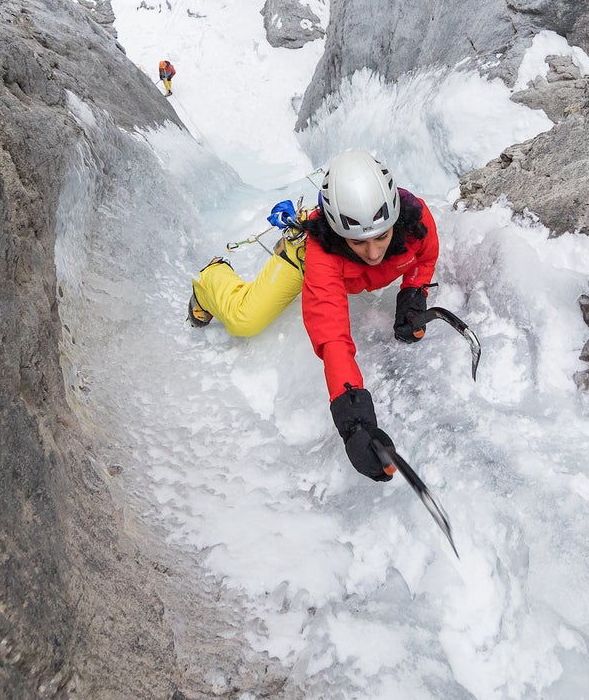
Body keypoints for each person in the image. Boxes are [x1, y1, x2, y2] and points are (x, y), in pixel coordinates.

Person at [187, 150, 438, 484]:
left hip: (346, 262)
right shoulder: (323, 258)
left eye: (381, 236)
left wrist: (413, 295)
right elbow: (332, 336)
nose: (374, 252)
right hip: (303, 260)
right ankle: (212, 278)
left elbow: (425, 257)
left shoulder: (415, 221)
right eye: (359, 242)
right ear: (337, 231)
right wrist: (355, 422)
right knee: (243, 320)